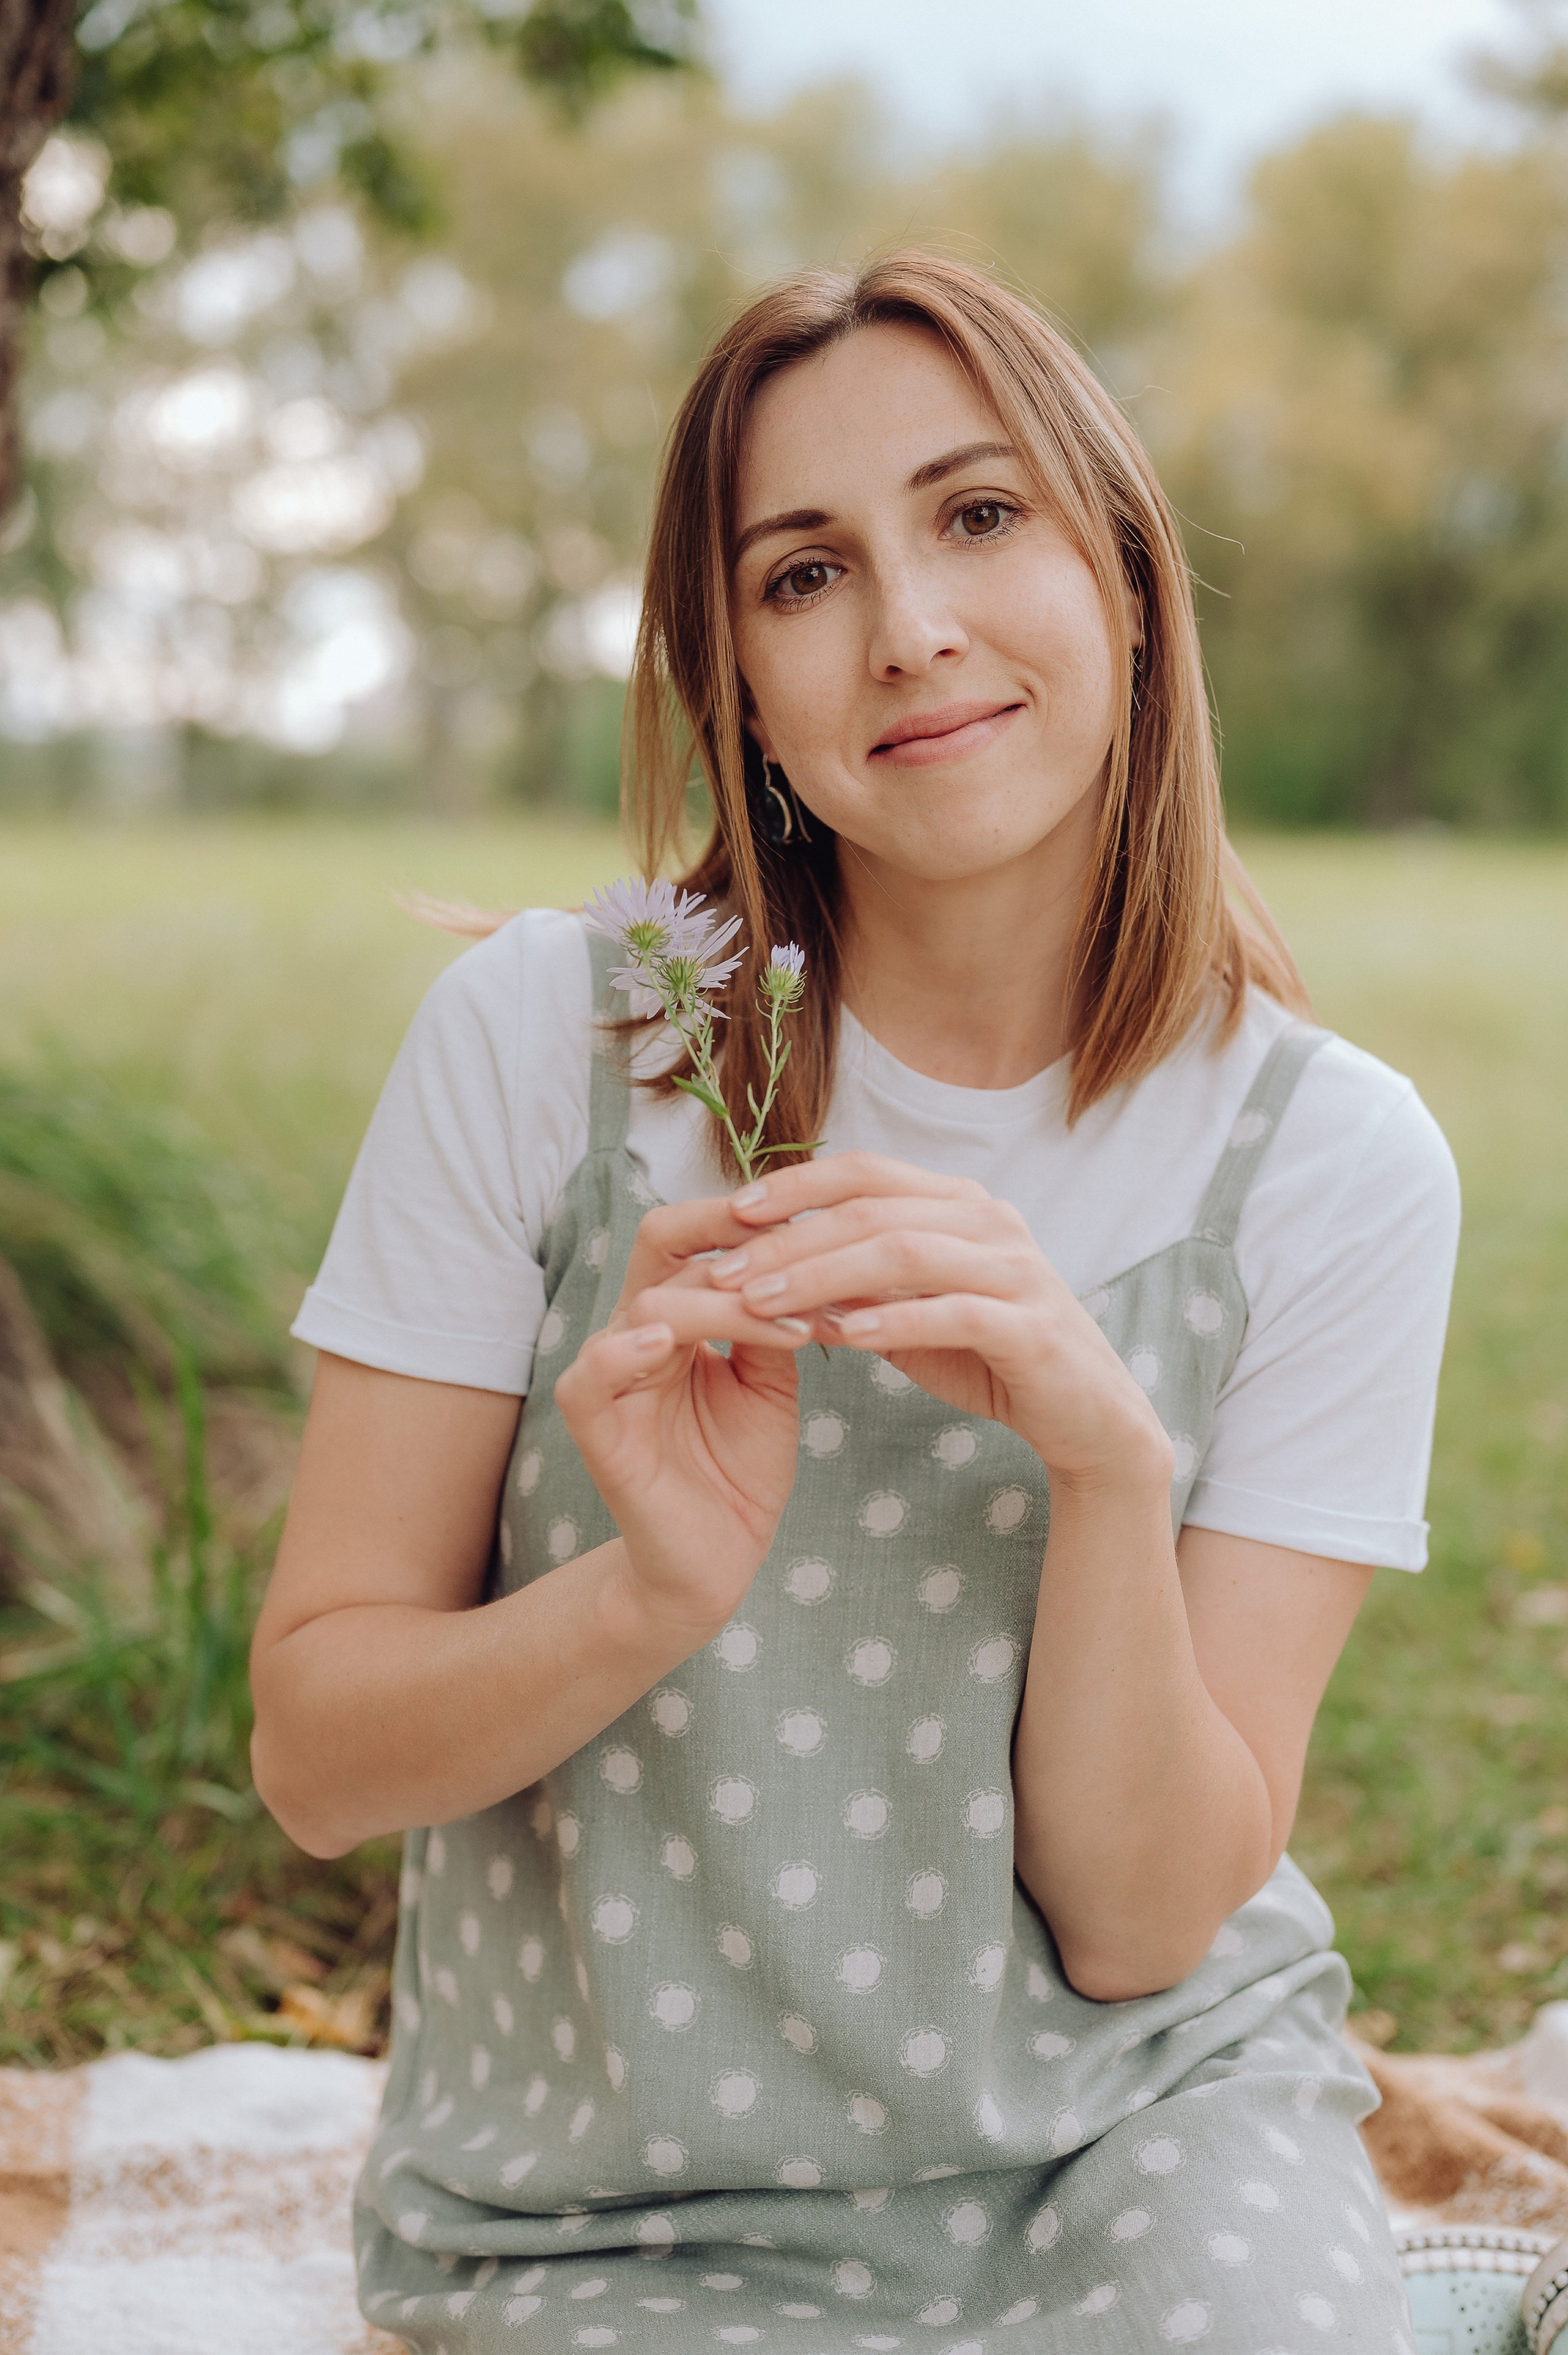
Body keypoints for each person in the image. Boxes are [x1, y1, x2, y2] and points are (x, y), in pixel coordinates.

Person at [251, 252, 1459, 2351]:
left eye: (981, 516)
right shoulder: (556, 1043)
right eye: (802, 575)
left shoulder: (1336, 1165)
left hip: (1139, 2134)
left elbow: (1145, 1920)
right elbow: (317, 1758)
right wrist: (645, 1590)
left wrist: (1103, 1463)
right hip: (613, 2195)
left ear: (1132, 583)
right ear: (734, 679)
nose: (911, 629)